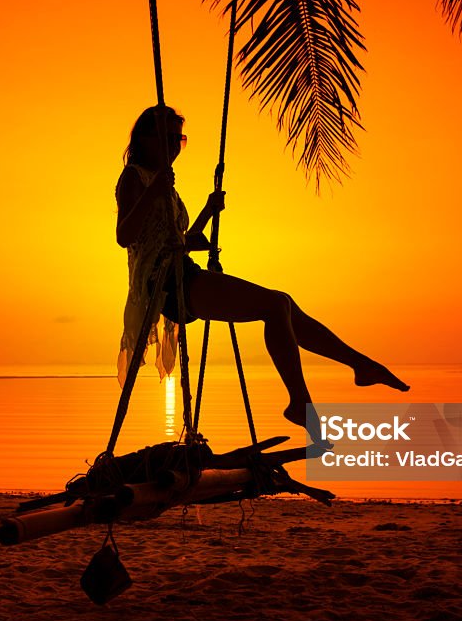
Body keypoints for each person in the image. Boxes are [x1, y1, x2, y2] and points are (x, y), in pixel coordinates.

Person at [115, 105, 408, 433]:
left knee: (282, 302)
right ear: (145, 139)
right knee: (274, 305)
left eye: (178, 139)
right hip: (165, 284)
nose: (173, 147)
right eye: (166, 138)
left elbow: (179, 239)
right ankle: (303, 401)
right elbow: (124, 236)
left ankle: (358, 366)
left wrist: (208, 211)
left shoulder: (164, 183)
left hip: (184, 272)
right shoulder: (134, 177)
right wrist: (154, 191)